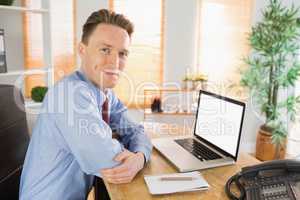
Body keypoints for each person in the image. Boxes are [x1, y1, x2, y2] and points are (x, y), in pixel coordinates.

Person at [19, 9, 152, 200]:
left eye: (122, 53)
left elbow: (136, 131)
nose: (115, 62)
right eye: (105, 49)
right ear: (82, 50)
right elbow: (110, 162)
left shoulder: (104, 94)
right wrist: (128, 155)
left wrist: (140, 157)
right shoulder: (69, 95)